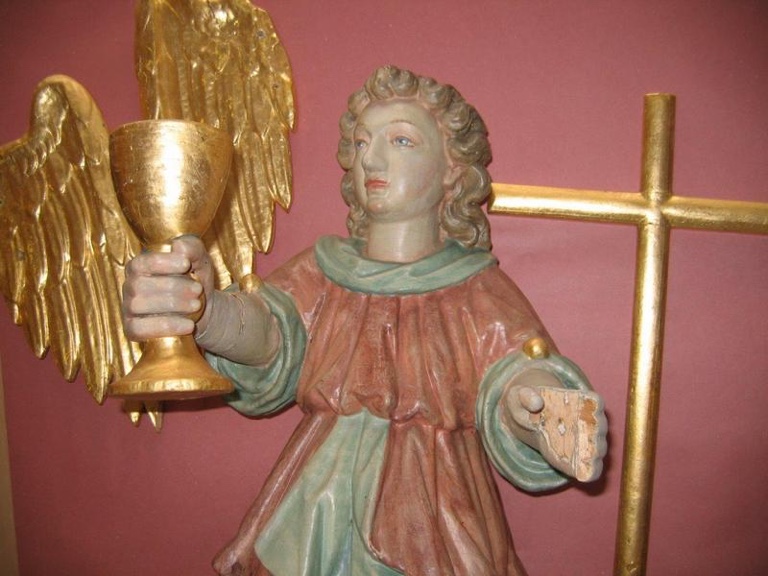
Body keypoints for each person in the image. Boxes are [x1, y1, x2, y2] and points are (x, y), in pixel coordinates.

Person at [123, 65, 607, 576]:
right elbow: (273, 333)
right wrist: (204, 310)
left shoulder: (475, 288)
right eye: (361, 143)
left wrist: (535, 410)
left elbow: (517, 367)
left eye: (401, 141)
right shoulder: (324, 269)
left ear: (452, 170)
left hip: (434, 518)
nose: (370, 159)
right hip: (317, 510)